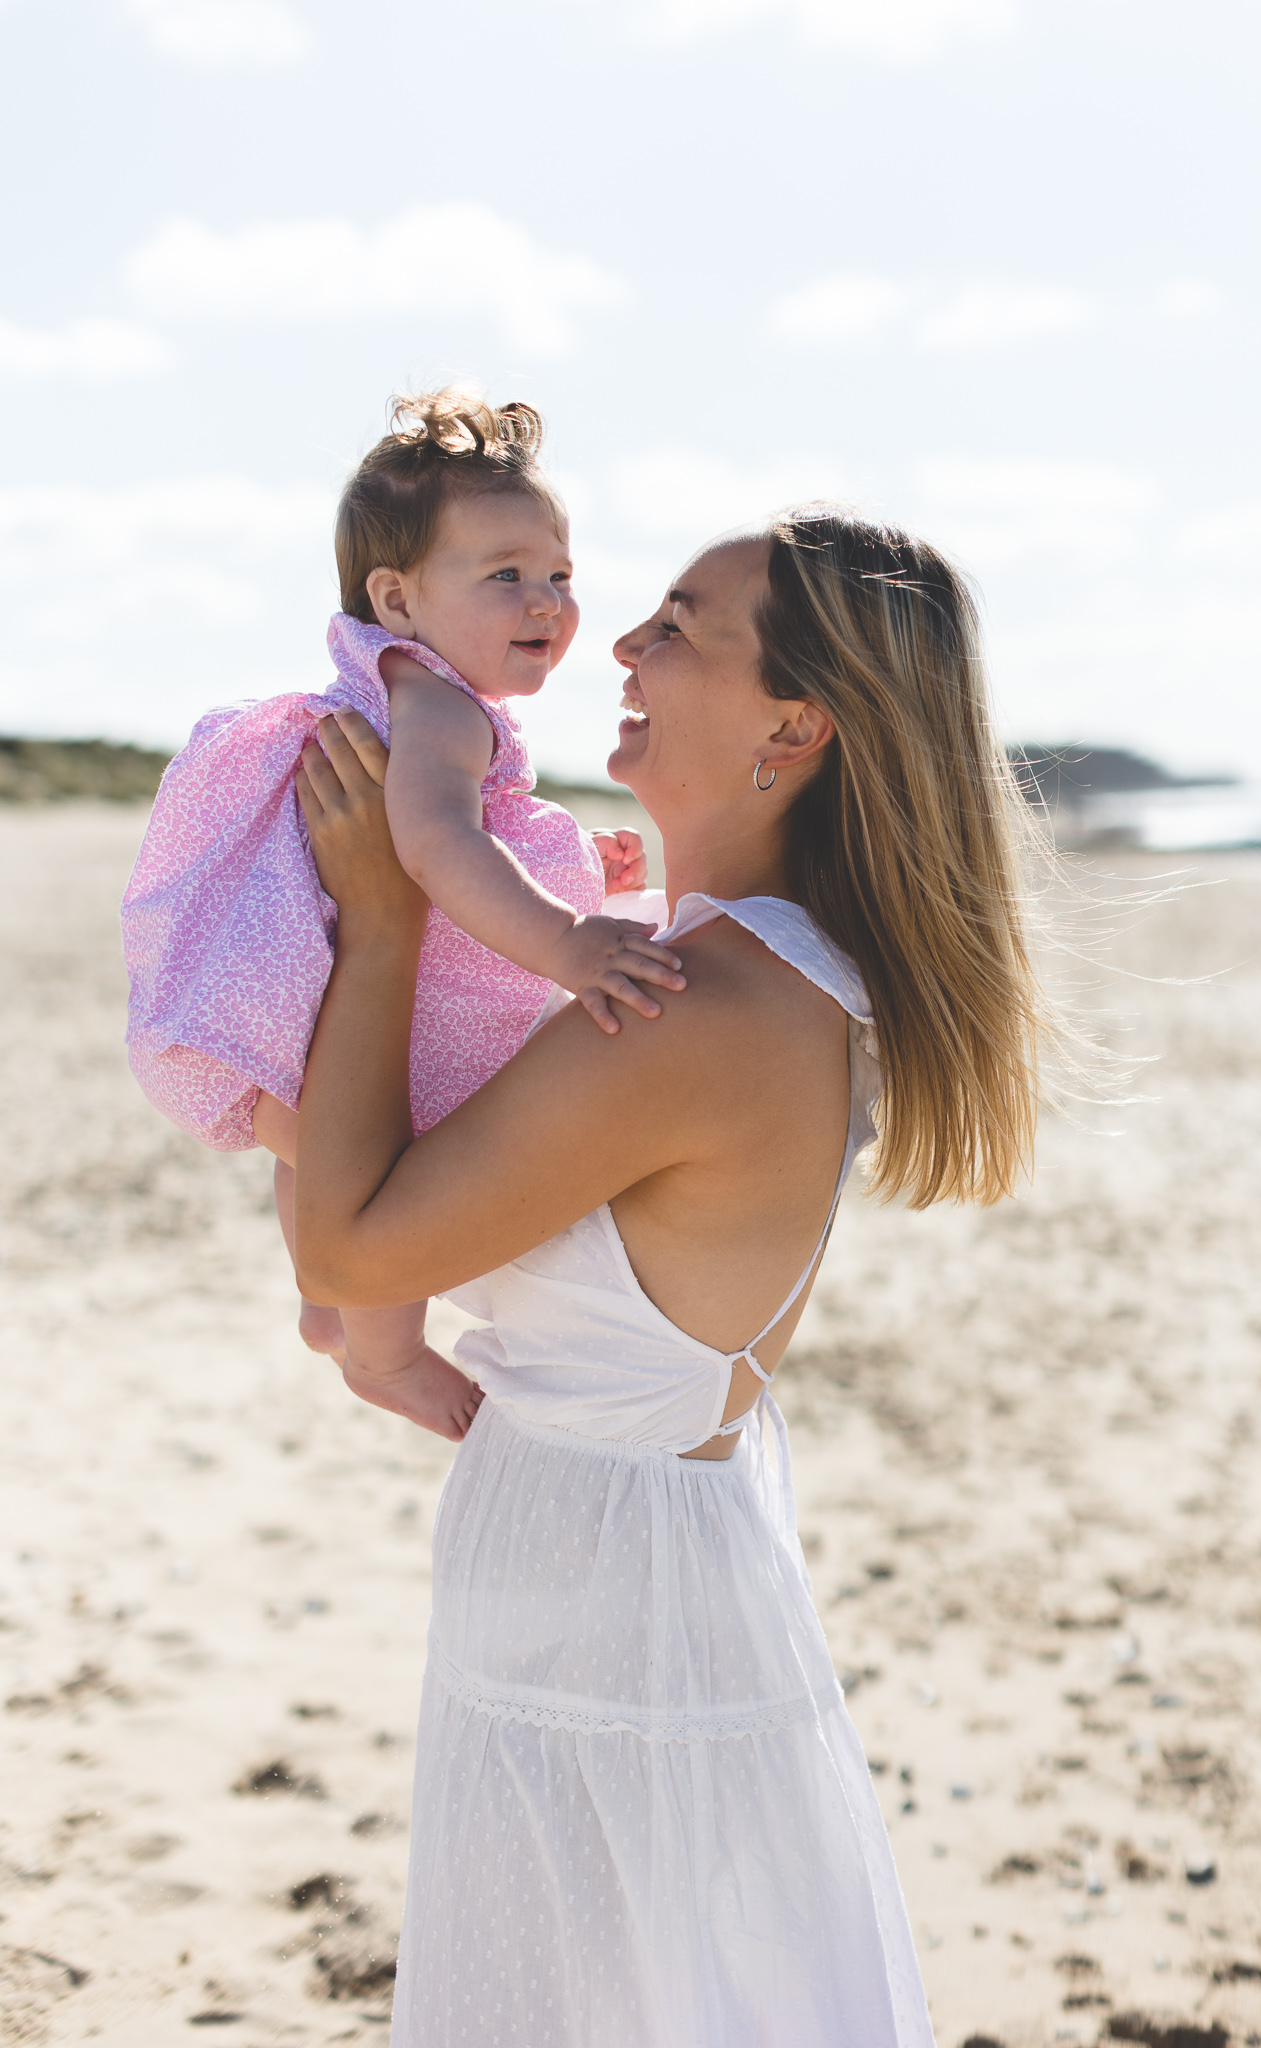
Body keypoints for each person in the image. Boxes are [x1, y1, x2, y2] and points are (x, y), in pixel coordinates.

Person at [290, 508, 1048, 2044]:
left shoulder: (706, 1003)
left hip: (607, 1610)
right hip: (622, 1581)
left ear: (794, 726)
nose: (620, 646)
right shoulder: (723, 959)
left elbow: (351, 1249)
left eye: (680, 627)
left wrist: (383, 917)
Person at [122, 389, 681, 1408]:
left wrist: (580, 875)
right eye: (504, 575)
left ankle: (326, 1302)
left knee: (318, 1138)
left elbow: (470, 842)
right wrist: (570, 942)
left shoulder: (405, 691)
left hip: (302, 1005)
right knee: (382, 1166)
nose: (546, 602)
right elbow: (433, 843)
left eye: (559, 574)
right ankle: (382, 1355)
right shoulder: (436, 705)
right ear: (399, 599)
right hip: (371, 986)